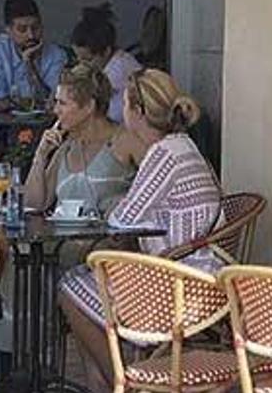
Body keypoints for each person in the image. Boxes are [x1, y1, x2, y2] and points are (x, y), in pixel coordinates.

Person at [57, 69, 223, 390]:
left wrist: (116, 202)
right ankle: (101, 383)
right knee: (88, 283)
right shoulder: (183, 146)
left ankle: (125, 382)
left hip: (179, 283)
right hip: (198, 270)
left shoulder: (164, 154)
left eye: (126, 103)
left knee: (71, 290)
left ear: (138, 112)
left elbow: (123, 220)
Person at [21, 64, 146, 216]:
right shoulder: (65, 150)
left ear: (88, 107)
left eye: (62, 103)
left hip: (109, 238)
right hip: (63, 238)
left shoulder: (125, 141)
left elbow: (156, 190)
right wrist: (40, 156)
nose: (56, 110)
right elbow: (33, 205)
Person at [0, 0, 68, 113]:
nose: (30, 35)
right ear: (8, 30)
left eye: (35, 28)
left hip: (43, 126)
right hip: (0, 126)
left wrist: (30, 65)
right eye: (22, 29)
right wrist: (34, 103)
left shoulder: (56, 54)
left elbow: (54, 101)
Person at [68, 3, 143, 123]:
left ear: (106, 51)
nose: (81, 64)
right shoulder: (115, 60)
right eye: (78, 58)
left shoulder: (118, 70)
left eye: (88, 59)